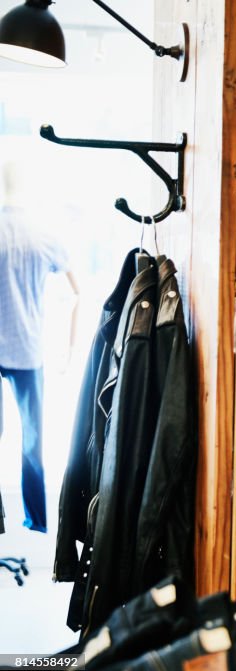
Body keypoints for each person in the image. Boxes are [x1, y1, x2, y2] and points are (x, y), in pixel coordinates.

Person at [0, 160, 79, 534]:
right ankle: (36, 522)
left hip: (19, 346)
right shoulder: (41, 234)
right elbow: (75, 290)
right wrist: (68, 346)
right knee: (32, 440)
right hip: (28, 347)